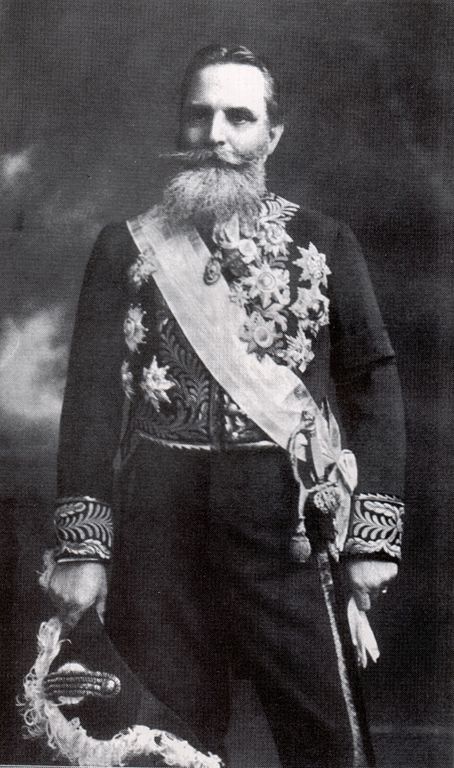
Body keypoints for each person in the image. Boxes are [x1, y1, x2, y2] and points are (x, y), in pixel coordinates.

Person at [47, 45, 405, 768]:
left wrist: (372, 538)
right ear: (179, 128)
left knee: (328, 747)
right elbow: (88, 403)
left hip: (288, 526)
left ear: (273, 135)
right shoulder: (123, 248)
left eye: (239, 117)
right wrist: (85, 548)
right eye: (199, 115)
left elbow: (372, 384)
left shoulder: (324, 241)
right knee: (166, 749)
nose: (216, 135)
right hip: (158, 530)